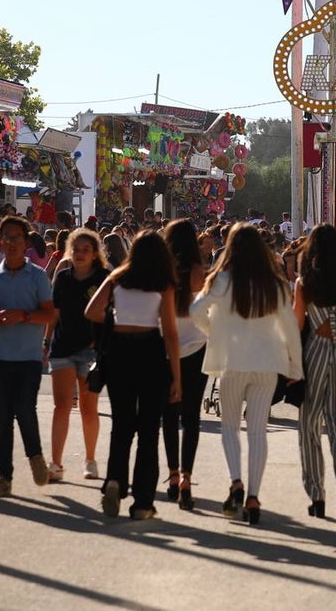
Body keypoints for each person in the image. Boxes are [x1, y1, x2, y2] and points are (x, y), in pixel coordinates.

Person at [190, 223, 302, 525]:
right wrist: (295, 366)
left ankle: (236, 483)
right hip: (268, 364)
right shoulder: (276, 284)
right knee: (257, 432)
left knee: (230, 427)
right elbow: (290, 327)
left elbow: (196, 310)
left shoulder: (222, 279)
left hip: (232, 361)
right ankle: (254, 495)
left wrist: (214, 332)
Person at [86, 230, 182, 520]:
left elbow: (91, 311)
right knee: (149, 430)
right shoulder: (163, 284)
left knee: (122, 424)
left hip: (119, 352)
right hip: (150, 352)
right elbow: (171, 334)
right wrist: (177, 377)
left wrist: (116, 317)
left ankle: (114, 479)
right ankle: (142, 503)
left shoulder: (117, 279)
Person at [0, 216, 58, 498]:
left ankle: (35, 457)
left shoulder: (37, 276)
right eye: (7, 238)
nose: (12, 243)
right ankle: (4, 477)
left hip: (28, 357)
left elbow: (50, 314)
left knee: (25, 409)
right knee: (2, 417)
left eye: (17, 238)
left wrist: (23, 316)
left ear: (26, 243)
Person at [294, 223, 336, 522]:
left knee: (309, 423)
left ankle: (316, 494)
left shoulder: (305, 282)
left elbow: (297, 324)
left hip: (316, 349)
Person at [45, 228, 108, 483]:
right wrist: (46, 341)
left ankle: (90, 460)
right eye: (76, 249)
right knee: (61, 406)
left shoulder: (105, 277)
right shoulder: (62, 278)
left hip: (92, 349)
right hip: (62, 347)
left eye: (86, 250)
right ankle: (56, 464)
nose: (80, 254)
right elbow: (55, 314)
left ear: (95, 253)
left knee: (88, 407)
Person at [160, 219, 209, 511]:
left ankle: (173, 474)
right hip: (197, 348)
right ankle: (188, 478)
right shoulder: (198, 273)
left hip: (167, 349)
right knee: (191, 418)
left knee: (169, 417)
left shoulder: (161, 272)